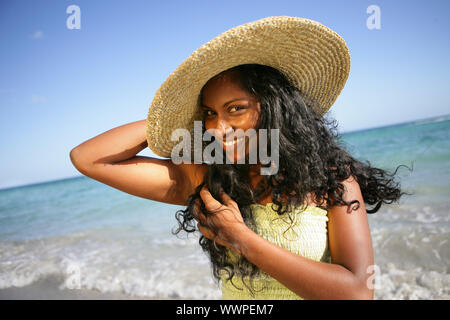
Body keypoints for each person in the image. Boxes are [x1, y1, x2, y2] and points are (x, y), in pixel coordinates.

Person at [70, 17, 404, 300]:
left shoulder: (331, 178)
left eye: (236, 109)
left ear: (275, 106)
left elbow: (359, 291)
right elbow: (89, 158)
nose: (218, 128)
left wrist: (242, 238)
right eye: (210, 114)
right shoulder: (210, 178)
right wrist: (174, 120)